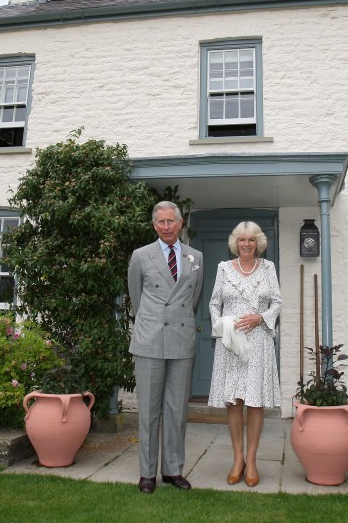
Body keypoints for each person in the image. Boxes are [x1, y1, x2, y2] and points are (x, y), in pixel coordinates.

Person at [127, 201, 204, 493]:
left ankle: (173, 471)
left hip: (181, 342)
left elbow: (193, 298)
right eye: (161, 222)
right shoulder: (140, 256)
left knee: (176, 411)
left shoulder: (195, 256)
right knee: (148, 411)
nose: (167, 226)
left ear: (180, 223)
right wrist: (152, 321)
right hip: (149, 341)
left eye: (172, 221)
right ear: (154, 226)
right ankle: (147, 473)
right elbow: (136, 297)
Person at [207, 221, 281, 488]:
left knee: (255, 402)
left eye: (251, 240)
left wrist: (260, 318)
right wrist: (222, 325)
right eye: (242, 240)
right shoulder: (223, 269)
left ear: (258, 243)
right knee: (235, 401)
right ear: (235, 243)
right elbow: (215, 301)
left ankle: (252, 459)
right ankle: (238, 459)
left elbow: (277, 302)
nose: (247, 244)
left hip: (259, 342)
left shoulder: (269, 268)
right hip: (231, 344)